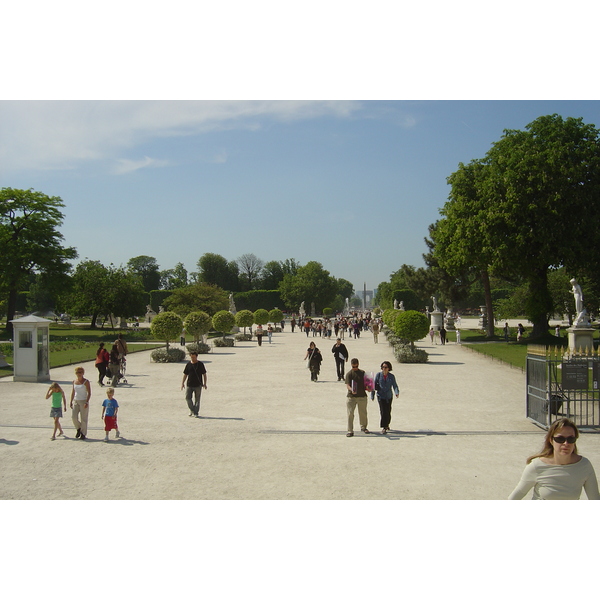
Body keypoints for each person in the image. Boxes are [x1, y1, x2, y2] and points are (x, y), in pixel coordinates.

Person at [508, 418, 600, 500]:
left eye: (571, 439)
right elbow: (515, 497)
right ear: (551, 440)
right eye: (560, 439)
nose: (566, 443)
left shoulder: (584, 465)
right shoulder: (536, 466)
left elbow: (595, 499)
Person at [371, 361, 399, 434]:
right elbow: (374, 385)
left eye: (385, 367)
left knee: (388, 411)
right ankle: (384, 427)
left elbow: (395, 385)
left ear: (389, 368)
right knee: (383, 411)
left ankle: (387, 424)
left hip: (388, 396)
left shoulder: (391, 376)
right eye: (383, 367)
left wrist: (396, 392)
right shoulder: (378, 375)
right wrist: (372, 395)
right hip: (380, 396)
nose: (384, 369)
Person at [345, 358, 369, 437]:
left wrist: (369, 388)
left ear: (358, 364)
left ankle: (364, 427)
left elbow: (367, 384)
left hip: (362, 396)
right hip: (351, 397)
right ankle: (350, 430)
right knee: (350, 414)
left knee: (363, 413)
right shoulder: (349, 374)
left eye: (356, 366)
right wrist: (351, 389)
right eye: (353, 366)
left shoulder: (362, 373)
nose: (355, 368)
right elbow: (347, 385)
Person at [181, 351, 207, 417]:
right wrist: (182, 383)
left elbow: (204, 374)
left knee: (197, 400)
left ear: (196, 357)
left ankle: (196, 412)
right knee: (187, 398)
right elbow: (185, 374)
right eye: (191, 357)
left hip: (198, 385)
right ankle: (192, 410)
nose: (193, 358)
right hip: (189, 384)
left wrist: (205, 383)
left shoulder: (200, 364)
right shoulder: (188, 364)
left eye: (194, 357)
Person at [70, 366, 91, 440]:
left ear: (83, 373)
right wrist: (71, 401)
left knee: (84, 418)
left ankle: (83, 433)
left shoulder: (86, 382)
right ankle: (78, 428)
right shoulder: (74, 381)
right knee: (74, 417)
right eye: (78, 372)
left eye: (80, 372)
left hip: (83, 400)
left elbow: (89, 393)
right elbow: (73, 392)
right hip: (76, 400)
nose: (79, 374)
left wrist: (86, 402)